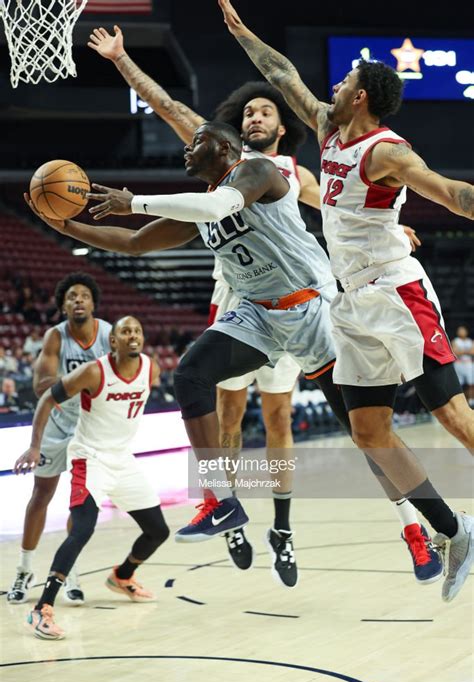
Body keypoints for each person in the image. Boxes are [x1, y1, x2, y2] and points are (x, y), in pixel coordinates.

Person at [26, 120, 442, 590]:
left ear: (225, 147)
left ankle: (415, 527)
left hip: (310, 308)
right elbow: (136, 242)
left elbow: (221, 203)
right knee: (191, 376)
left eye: (195, 143)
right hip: (257, 315)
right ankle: (222, 500)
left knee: (365, 434)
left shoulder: (259, 171)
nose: (186, 150)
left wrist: (133, 202)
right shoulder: (201, 206)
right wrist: (63, 224)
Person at [87, 26, 426, 579]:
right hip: (245, 302)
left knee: (291, 421)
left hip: (307, 302)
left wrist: (395, 228)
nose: (256, 117)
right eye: (248, 113)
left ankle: (327, 525)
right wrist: (123, 58)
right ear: (232, 129)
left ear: (281, 124)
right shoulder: (217, 155)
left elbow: (349, 210)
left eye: (267, 111)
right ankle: (225, 509)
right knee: (220, 407)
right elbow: (167, 104)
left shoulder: (288, 171)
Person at [217, 0, 474, 602]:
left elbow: (451, 192)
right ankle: (456, 531)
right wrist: (242, 32)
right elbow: (283, 75)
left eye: (345, 81)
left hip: (395, 291)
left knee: (452, 416)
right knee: (368, 430)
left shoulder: (386, 151)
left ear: (361, 97)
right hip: (350, 302)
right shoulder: (331, 132)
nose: (334, 85)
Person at [14, 315, 168, 640]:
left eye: (137, 330)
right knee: (82, 528)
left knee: (158, 531)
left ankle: (122, 576)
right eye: (125, 331)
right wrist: (33, 446)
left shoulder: (151, 368)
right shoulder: (94, 371)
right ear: (113, 341)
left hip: (123, 460)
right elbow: (47, 398)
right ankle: (41, 609)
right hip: (90, 458)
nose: (132, 336)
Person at [7, 273, 111, 605]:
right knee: (41, 495)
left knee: (79, 503)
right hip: (56, 426)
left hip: (92, 430)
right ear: (63, 305)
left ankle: (70, 572)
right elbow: (40, 388)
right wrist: (85, 380)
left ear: (93, 303)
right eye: (71, 296)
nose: (78, 300)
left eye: (83, 295)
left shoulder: (109, 334)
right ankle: (24, 570)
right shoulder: (55, 337)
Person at [451, 326, 474, 405]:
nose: (462, 332)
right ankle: (462, 401)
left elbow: (472, 352)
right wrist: (467, 351)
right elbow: (455, 352)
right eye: (460, 330)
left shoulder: (470, 341)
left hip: (468, 364)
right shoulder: (455, 341)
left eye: (463, 330)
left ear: (466, 332)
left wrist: (461, 351)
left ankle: (471, 400)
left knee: (471, 383)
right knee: (459, 384)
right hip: (459, 364)